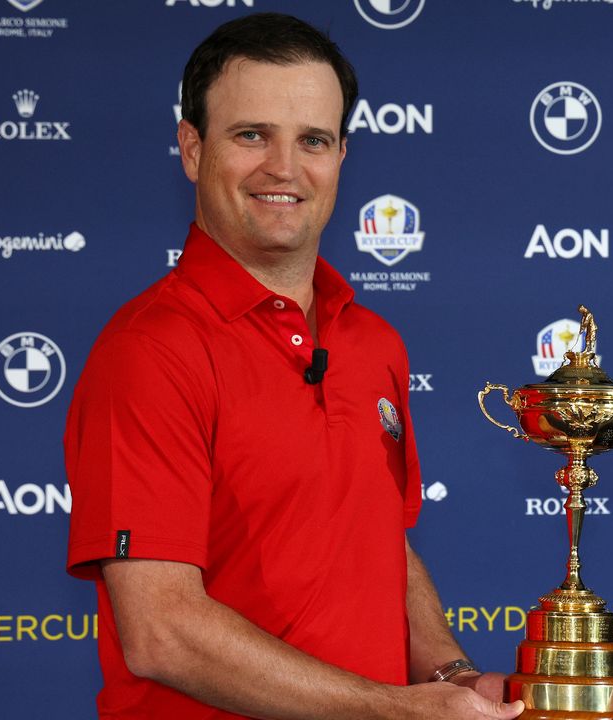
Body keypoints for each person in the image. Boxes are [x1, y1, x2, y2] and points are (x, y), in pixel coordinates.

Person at [63, 13, 523, 720]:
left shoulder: (374, 342)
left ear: (341, 155)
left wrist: (450, 673)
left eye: (312, 140)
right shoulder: (149, 350)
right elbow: (161, 633)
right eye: (252, 135)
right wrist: (396, 709)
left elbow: (382, 546)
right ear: (192, 149)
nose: (284, 167)